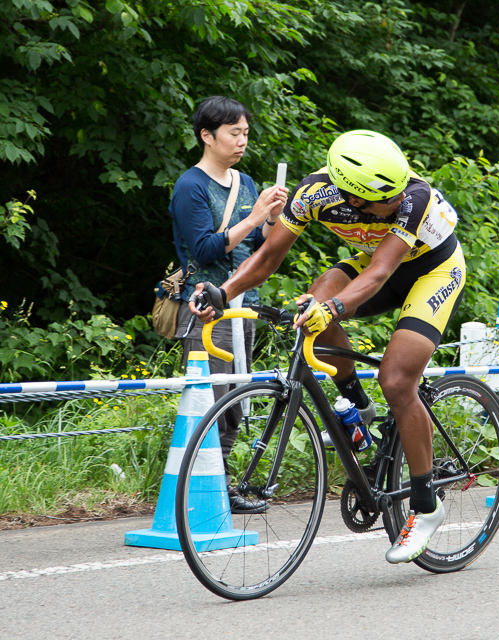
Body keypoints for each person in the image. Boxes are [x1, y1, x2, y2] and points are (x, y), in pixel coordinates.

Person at [188, 129, 466, 564]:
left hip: (432, 269)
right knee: (314, 298)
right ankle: (358, 403)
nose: (392, 204)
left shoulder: (414, 196)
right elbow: (266, 258)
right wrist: (222, 293)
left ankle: (426, 506)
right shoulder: (314, 194)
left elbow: (377, 274)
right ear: (353, 198)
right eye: (382, 202)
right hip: (376, 263)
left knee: (396, 380)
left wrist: (332, 308)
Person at [169, 96, 288, 513]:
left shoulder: (247, 183)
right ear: (207, 135)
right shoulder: (191, 186)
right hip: (206, 309)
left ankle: (219, 488)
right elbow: (203, 251)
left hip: (244, 306)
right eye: (234, 133)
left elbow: (259, 248)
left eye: (246, 134)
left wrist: (272, 218)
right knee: (212, 400)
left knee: (237, 402)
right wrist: (255, 217)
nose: (241, 142)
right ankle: (198, 492)